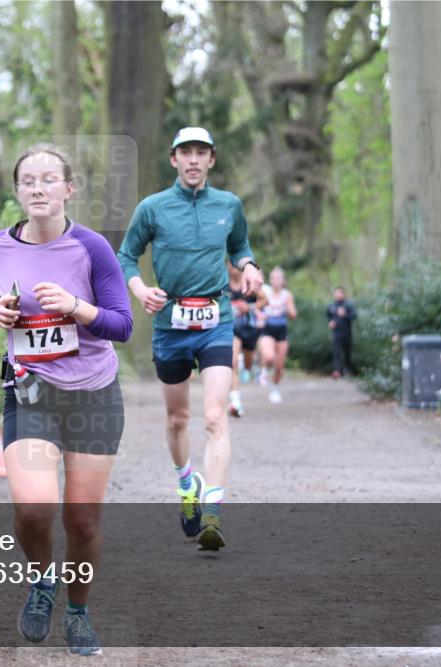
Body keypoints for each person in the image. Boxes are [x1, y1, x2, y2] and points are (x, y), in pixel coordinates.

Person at [0, 144, 132, 656]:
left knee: (82, 519)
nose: (38, 188)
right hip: (30, 392)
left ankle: (78, 610)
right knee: (33, 510)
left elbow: (123, 324)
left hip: (94, 395)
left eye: (49, 180)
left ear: (69, 188)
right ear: (18, 190)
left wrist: (76, 308)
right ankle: (43, 582)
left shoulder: (92, 248)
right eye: (28, 181)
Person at [117, 127, 262, 551]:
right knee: (178, 418)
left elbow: (240, 246)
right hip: (170, 324)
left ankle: (212, 513)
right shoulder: (153, 208)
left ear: (212, 160)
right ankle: (187, 485)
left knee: (215, 417)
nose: (194, 160)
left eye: (202, 153)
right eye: (187, 153)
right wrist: (141, 290)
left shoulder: (229, 205)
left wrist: (249, 265)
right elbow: (126, 254)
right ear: (174, 159)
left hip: (216, 318)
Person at [256, 267, 297, 404]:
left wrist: (287, 308)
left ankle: (275, 389)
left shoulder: (287, 295)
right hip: (267, 329)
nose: (276, 280)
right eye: (273, 278)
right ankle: (263, 371)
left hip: (281, 331)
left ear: (283, 280)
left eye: (279, 278)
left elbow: (293, 315)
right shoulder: (265, 292)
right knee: (269, 356)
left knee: (279, 366)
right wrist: (259, 314)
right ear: (270, 279)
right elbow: (255, 306)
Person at [227, 261, 263, 417]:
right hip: (231, 329)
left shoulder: (247, 282)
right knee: (233, 362)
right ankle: (235, 402)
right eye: (230, 265)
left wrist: (250, 307)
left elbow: (265, 299)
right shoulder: (222, 284)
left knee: (248, 362)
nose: (233, 269)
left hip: (249, 329)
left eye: (235, 265)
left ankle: (249, 368)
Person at [327, 286, 357, 378]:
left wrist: (345, 315)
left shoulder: (348, 305)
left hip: (347, 332)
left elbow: (354, 316)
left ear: (343, 294)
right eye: (335, 293)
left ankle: (347, 370)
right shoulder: (331, 306)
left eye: (339, 293)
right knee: (336, 352)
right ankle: (337, 370)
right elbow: (328, 316)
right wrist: (330, 322)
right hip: (336, 333)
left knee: (347, 352)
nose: (337, 295)